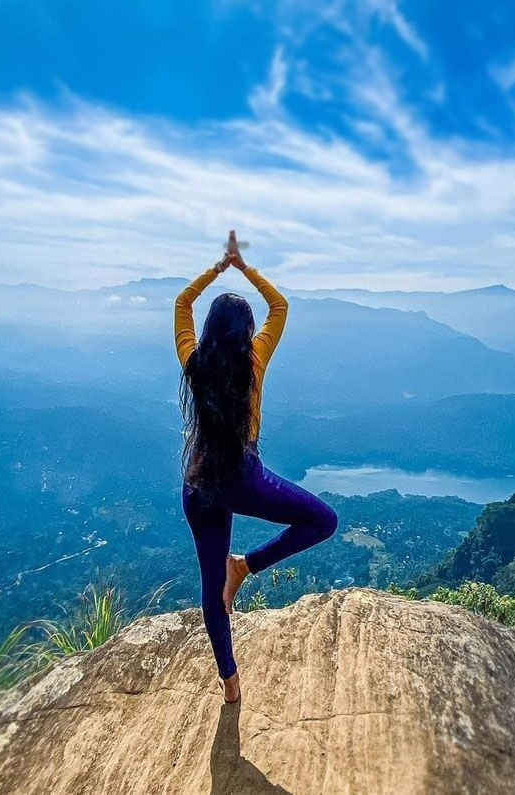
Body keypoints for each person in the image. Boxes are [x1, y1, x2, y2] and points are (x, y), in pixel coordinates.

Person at [175, 231, 338, 704]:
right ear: (247, 335)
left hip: (200, 484)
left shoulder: (194, 362)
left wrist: (214, 270)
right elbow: (281, 306)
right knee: (323, 520)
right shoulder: (254, 360)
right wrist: (241, 266)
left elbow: (182, 305)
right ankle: (246, 566)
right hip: (245, 478)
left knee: (210, 589)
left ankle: (230, 683)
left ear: (207, 331)